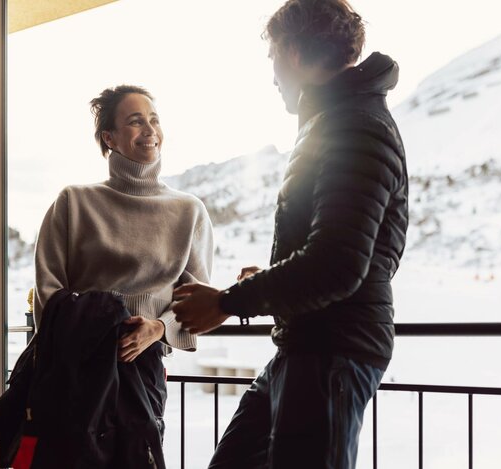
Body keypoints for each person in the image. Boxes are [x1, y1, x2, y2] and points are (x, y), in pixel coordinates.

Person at [172, 1, 408, 467]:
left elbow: (339, 265)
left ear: (294, 52)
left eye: (273, 59)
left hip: (331, 352)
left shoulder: (356, 128)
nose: (273, 75)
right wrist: (276, 280)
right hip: (307, 345)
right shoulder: (340, 121)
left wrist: (227, 302)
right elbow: (355, 252)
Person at [33, 85, 213, 459]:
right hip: (76, 370)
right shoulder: (73, 202)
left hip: (142, 369)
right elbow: (48, 291)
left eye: (154, 119)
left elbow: (197, 300)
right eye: (135, 121)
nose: (149, 129)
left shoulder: (189, 210)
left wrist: (159, 328)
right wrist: (86, 340)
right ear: (109, 138)